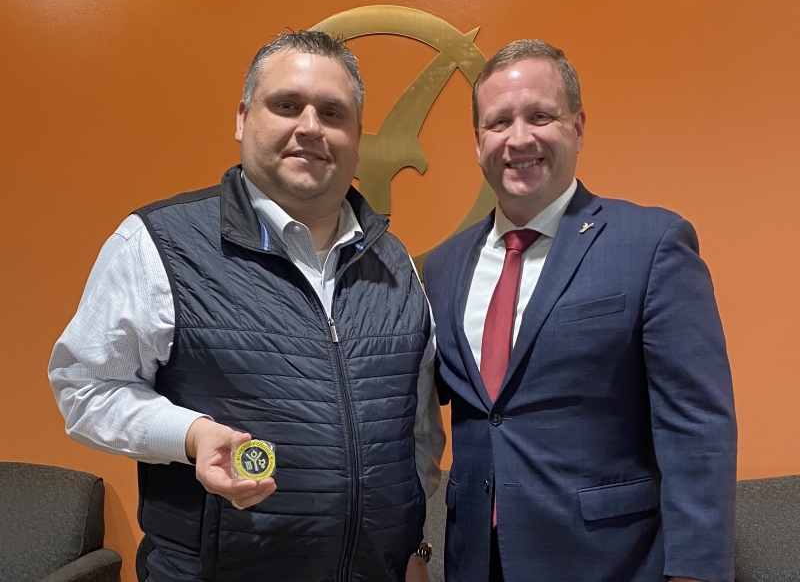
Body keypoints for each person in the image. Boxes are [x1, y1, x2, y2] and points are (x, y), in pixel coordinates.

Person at [49, 30, 445, 582]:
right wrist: (189, 435)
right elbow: (85, 388)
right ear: (242, 118)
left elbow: (416, 434)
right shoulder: (158, 243)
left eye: (333, 113)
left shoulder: (394, 262)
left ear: (357, 136)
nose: (310, 126)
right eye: (286, 105)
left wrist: (418, 549)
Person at [422, 39, 736, 582]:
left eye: (539, 115)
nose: (519, 138)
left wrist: (697, 571)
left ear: (578, 127)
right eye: (498, 123)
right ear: (478, 142)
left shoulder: (651, 243)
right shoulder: (442, 267)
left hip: (611, 562)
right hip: (475, 561)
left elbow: (697, 426)